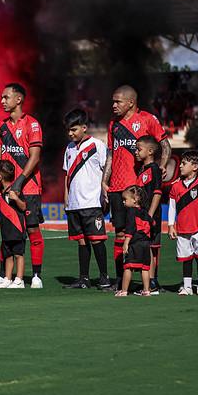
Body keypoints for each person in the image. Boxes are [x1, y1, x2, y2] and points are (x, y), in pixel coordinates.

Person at [102, 85, 169, 289]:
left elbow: (165, 145)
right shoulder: (113, 124)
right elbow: (111, 153)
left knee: (146, 234)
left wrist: (163, 166)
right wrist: (105, 179)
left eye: (118, 101)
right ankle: (121, 278)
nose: (113, 105)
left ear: (131, 102)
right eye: (113, 101)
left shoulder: (148, 119)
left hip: (138, 189)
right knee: (120, 234)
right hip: (117, 188)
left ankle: (152, 279)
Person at [0, 83, 45, 289]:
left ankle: (36, 275)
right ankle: (4, 275)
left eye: (6, 97)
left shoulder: (32, 124)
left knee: (32, 230)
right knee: (7, 232)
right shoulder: (1, 126)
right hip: (6, 190)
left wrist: (18, 184)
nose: (2, 101)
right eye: (2, 97)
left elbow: (35, 156)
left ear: (18, 99)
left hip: (28, 188)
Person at [61, 109, 110, 290]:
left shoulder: (97, 145)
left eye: (73, 129)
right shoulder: (69, 148)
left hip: (92, 202)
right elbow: (67, 175)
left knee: (97, 239)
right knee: (81, 240)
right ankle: (84, 279)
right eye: (68, 130)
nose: (70, 133)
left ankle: (104, 277)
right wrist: (66, 197)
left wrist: (106, 195)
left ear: (84, 127)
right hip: (74, 203)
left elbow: (107, 169)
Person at [167, 151, 198, 296]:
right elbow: (172, 206)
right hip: (182, 229)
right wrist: (170, 225)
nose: (180, 166)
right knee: (186, 259)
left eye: (183, 163)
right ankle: (187, 286)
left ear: (194, 167)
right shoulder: (176, 187)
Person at [134, 136, 163, 293]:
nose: (136, 152)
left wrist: (150, 215)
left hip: (150, 217)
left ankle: (152, 282)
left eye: (139, 149)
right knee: (145, 247)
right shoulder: (142, 169)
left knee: (151, 248)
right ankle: (149, 280)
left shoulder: (154, 169)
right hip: (142, 216)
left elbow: (158, 193)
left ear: (150, 151)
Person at [0, 160, 28, 289]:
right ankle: (7, 278)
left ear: (0, 177)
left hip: (17, 229)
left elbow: (23, 207)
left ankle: (19, 280)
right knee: (7, 255)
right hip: (6, 230)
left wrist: (17, 198)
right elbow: (3, 208)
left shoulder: (15, 190)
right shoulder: (3, 192)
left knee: (18, 255)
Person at [116, 186, 154, 297]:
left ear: (135, 199)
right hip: (146, 244)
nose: (123, 202)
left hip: (135, 243)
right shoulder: (145, 213)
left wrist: (126, 242)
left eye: (125, 199)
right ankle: (146, 290)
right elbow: (153, 223)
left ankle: (124, 290)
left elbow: (130, 227)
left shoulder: (131, 211)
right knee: (145, 268)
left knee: (128, 267)